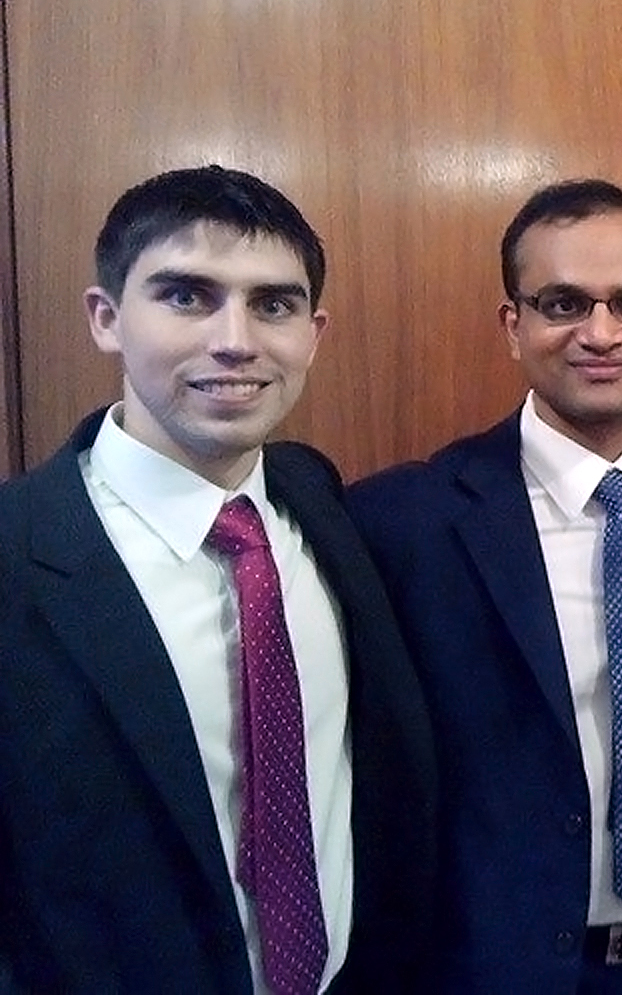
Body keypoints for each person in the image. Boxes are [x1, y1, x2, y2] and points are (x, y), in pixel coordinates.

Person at [0, 165, 436, 992]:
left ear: (314, 331)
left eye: (272, 304)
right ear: (106, 318)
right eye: (187, 296)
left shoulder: (318, 499)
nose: (235, 339)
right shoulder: (17, 559)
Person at [347, 180, 622, 993]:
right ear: (515, 325)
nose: (602, 333)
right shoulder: (407, 524)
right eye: (564, 303)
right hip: (508, 970)